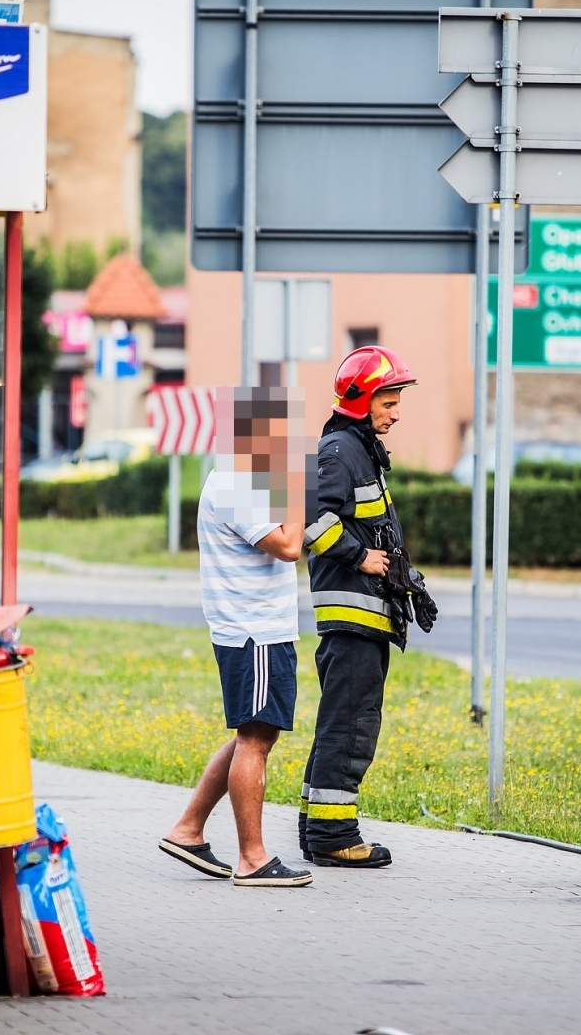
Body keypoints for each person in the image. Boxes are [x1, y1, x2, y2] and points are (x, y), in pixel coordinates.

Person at [161, 387, 313, 887]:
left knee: (254, 732)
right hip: (254, 633)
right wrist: (298, 484)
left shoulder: (241, 479)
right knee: (255, 740)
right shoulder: (238, 486)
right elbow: (290, 546)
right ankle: (253, 858)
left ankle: (188, 829)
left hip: (250, 630)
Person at [298, 346, 437, 868]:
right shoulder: (341, 450)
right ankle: (335, 837)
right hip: (352, 617)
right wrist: (362, 557)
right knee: (351, 726)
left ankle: (318, 828)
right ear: (361, 398)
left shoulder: (357, 448)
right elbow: (311, 518)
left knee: (339, 722)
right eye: (389, 399)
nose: (396, 411)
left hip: (363, 618)